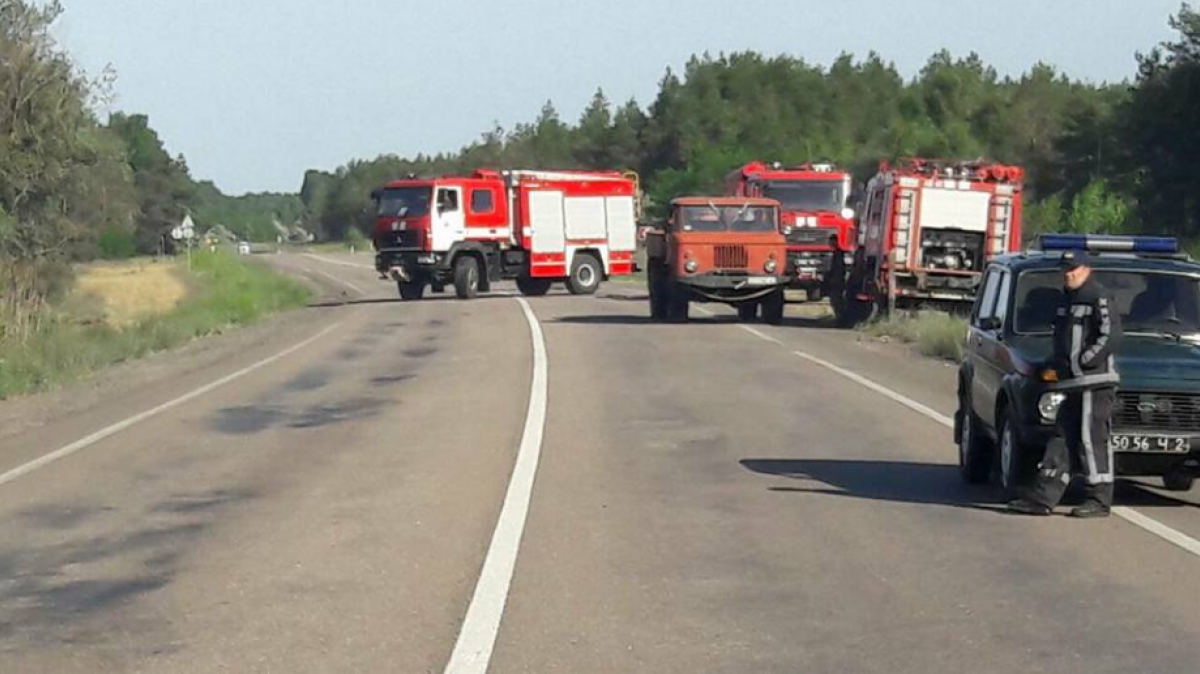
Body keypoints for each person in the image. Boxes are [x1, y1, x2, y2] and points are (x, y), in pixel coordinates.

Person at [1009, 250, 1122, 518]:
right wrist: (1051, 365)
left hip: (1095, 382)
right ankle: (1043, 497)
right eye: (1065, 269)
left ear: (1086, 269)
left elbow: (1111, 335)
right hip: (1069, 383)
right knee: (1061, 438)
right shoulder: (1066, 300)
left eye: (1073, 269)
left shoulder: (1098, 296)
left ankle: (1099, 498)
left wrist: (1084, 361)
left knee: (1090, 437)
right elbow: (1063, 342)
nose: (1068, 274)